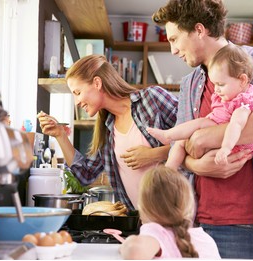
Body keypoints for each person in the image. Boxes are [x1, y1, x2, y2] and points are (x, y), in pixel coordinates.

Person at [152, 0, 253, 259]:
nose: (172, 50)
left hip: (245, 225)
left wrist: (205, 137)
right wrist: (197, 165)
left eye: (174, 39)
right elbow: (180, 147)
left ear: (199, 30)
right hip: (194, 223)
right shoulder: (190, 83)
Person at [37, 54, 178, 210]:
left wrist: (154, 155)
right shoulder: (107, 129)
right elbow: (86, 174)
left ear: (97, 83)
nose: (76, 102)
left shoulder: (152, 99)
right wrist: (60, 135)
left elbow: (193, 140)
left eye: (77, 93)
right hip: (140, 222)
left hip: (175, 215)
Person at [147, 44, 253, 169]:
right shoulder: (228, 94)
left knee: (200, 124)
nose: (216, 89)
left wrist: (226, 148)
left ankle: (168, 136)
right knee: (181, 141)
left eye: (220, 84)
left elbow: (236, 126)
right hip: (218, 137)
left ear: (242, 80)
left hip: (232, 146)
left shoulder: (243, 103)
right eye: (214, 84)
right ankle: (169, 168)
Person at [119, 165, 220, 260]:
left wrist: (124, 246)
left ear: (144, 207)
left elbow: (134, 250)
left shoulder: (156, 232)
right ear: (188, 204)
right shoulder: (204, 239)